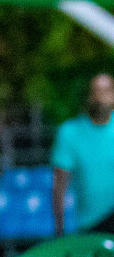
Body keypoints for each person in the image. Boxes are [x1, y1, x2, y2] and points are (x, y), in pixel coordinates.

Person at [52, 73, 114, 236]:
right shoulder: (70, 132)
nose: (101, 98)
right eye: (96, 92)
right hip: (91, 225)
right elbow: (59, 186)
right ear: (89, 96)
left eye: (106, 91)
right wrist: (60, 230)